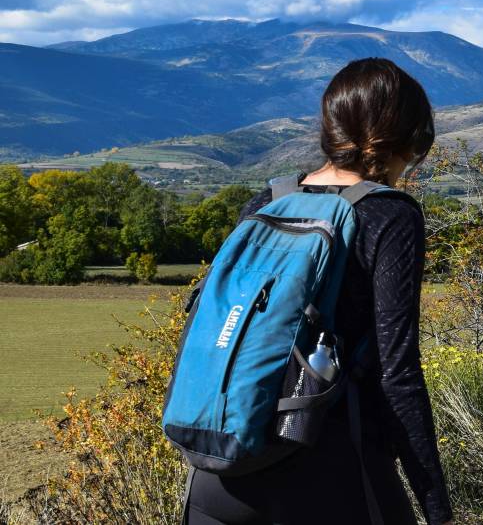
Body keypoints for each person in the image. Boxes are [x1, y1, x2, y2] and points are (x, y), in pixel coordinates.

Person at [186, 58, 453, 525]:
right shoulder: (389, 216)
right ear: (405, 138)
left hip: (219, 471)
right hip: (330, 469)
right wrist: (436, 506)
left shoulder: (266, 203)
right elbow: (398, 374)